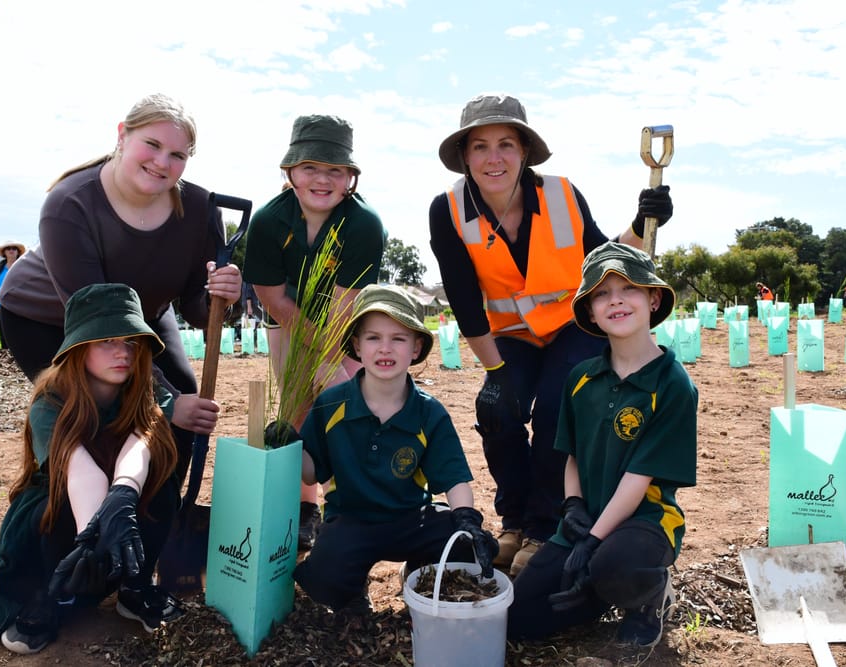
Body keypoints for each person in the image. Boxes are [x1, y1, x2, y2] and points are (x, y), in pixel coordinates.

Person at [428, 93, 674, 576]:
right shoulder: (448, 210)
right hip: (509, 337)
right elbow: (463, 300)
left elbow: (601, 257)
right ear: (465, 156)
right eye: (479, 147)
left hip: (571, 328)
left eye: (505, 144)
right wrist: (495, 372)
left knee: (559, 411)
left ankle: (543, 526)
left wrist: (643, 220)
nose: (493, 158)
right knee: (496, 410)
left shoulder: (562, 194)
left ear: (524, 152)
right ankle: (513, 521)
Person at [0, 93, 241, 483]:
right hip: (47, 318)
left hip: (143, 314)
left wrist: (222, 297)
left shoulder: (200, 211)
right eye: (153, 145)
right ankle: (81, 516)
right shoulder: (69, 204)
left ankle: (158, 518)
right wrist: (167, 401)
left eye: (178, 155)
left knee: (183, 395)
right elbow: (98, 319)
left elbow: (197, 308)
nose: (163, 162)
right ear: (123, 136)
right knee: (94, 410)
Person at [0, 283, 186, 654]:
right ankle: (51, 597)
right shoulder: (50, 403)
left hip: (113, 499)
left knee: (161, 484)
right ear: (79, 348)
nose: (122, 352)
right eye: (106, 341)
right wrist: (92, 537)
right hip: (61, 505)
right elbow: (77, 468)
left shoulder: (145, 391)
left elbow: (141, 443)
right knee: (55, 508)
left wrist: (124, 494)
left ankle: (134, 587)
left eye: (130, 341)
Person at [507, 242, 697, 647]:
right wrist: (573, 507)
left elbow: (637, 476)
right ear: (590, 312)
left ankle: (648, 597)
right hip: (586, 519)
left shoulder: (672, 384)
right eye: (601, 294)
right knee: (520, 615)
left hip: (643, 521)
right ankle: (598, 590)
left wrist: (593, 542)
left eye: (628, 288)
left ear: (653, 297)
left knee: (617, 563)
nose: (616, 301)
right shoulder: (581, 378)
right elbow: (572, 453)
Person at [291, 284, 497, 614]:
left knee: (462, 545)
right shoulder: (331, 404)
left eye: (398, 339)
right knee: (325, 583)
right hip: (350, 519)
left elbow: (455, 479)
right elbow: (312, 471)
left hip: (410, 520)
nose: (385, 348)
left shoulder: (429, 412)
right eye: (373, 338)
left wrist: (466, 520)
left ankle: (418, 571)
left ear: (416, 347)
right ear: (356, 345)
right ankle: (352, 586)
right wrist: (290, 446)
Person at [243, 114, 386, 550]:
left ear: (350, 179)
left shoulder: (363, 225)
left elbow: (343, 310)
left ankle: (344, 506)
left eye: (335, 170)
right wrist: (312, 371)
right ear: (290, 173)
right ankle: (304, 508)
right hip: (284, 317)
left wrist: (331, 371)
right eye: (310, 168)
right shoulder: (268, 220)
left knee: (344, 409)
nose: (321, 179)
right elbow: (270, 295)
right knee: (297, 407)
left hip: (342, 323)